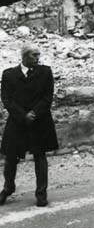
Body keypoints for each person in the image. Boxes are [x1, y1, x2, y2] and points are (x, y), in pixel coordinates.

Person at [1, 44, 57, 207]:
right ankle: (8, 188)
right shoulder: (9, 75)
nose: (37, 58)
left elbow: (48, 97)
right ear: (24, 56)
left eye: (38, 55)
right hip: (17, 122)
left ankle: (41, 193)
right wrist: (22, 115)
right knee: (11, 157)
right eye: (34, 55)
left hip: (40, 121)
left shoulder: (45, 72)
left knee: (40, 157)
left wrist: (34, 112)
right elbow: (6, 99)